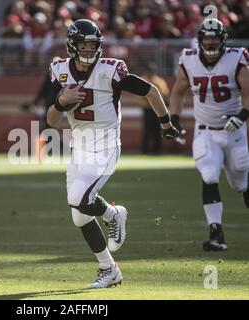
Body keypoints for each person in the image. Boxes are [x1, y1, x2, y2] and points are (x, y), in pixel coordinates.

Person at [47, 19, 179, 288]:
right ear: (72, 45)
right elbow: (50, 120)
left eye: (92, 45)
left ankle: (112, 214)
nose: (88, 50)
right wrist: (60, 103)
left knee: (78, 198)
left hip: (106, 146)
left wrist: (165, 122)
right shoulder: (60, 70)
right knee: (79, 214)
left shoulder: (111, 70)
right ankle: (109, 268)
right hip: (79, 148)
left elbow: (151, 90)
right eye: (83, 45)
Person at [170, 18, 249, 251]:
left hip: (233, 130)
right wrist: (174, 119)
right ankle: (216, 233)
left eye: (215, 37)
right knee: (209, 176)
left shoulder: (236, 57)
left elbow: (248, 91)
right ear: (200, 40)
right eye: (208, 37)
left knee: (242, 182)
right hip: (204, 131)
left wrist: (242, 116)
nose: (211, 41)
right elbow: (178, 91)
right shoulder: (189, 59)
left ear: (223, 40)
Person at [140, 62, 170, 154]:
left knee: (157, 130)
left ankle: (156, 151)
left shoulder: (159, 81)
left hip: (157, 110)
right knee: (147, 130)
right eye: (148, 70)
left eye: (151, 70)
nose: (149, 72)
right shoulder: (142, 79)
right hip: (147, 109)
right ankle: (145, 151)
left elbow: (165, 95)